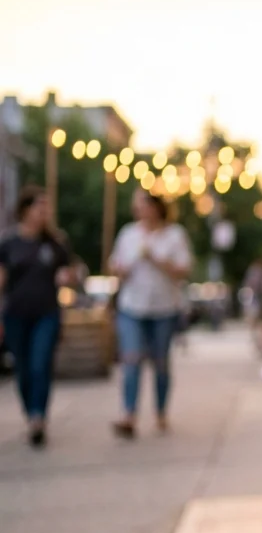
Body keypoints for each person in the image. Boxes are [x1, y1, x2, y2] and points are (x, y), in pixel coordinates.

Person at [108, 188, 192, 438]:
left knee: (160, 362)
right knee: (131, 359)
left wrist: (156, 259)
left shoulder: (174, 235)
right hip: (132, 306)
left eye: (144, 204)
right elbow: (116, 266)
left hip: (163, 308)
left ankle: (161, 411)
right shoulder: (128, 234)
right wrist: (123, 267)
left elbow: (183, 270)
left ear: (156, 207)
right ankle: (129, 414)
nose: (140, 210)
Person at [0, 187, 76, 447]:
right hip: (16, 314)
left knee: (40, 363)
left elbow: (72, 271)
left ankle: (38, 417)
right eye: (39, 206)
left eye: (46, 207)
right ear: (25, 209)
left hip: (46, 313)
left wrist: (67, 277)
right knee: (22, 368)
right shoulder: (9, 243)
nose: (44, 212)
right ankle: (30, 408)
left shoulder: (54, 243)